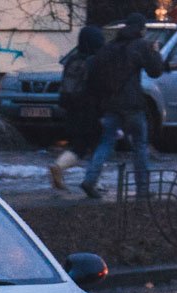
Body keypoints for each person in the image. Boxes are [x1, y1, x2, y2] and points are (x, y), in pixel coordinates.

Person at [79, 12, 165, 199]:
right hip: (133, 105)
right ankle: (142, 188)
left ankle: (90, 180)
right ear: (141, 29)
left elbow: (94, 74)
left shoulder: (109, 47)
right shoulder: (141, 46)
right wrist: (155, 51)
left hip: (111, 104)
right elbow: (155, 72)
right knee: (140, 145)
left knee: (106, 142)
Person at [49, 25, 105, 191]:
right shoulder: (95, 61)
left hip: (72, 109)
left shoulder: (72, 60)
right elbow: (99, 88)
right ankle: (93, 180)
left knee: (78, 145)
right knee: (96, 146)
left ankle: (59, 165)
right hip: (91, 110)